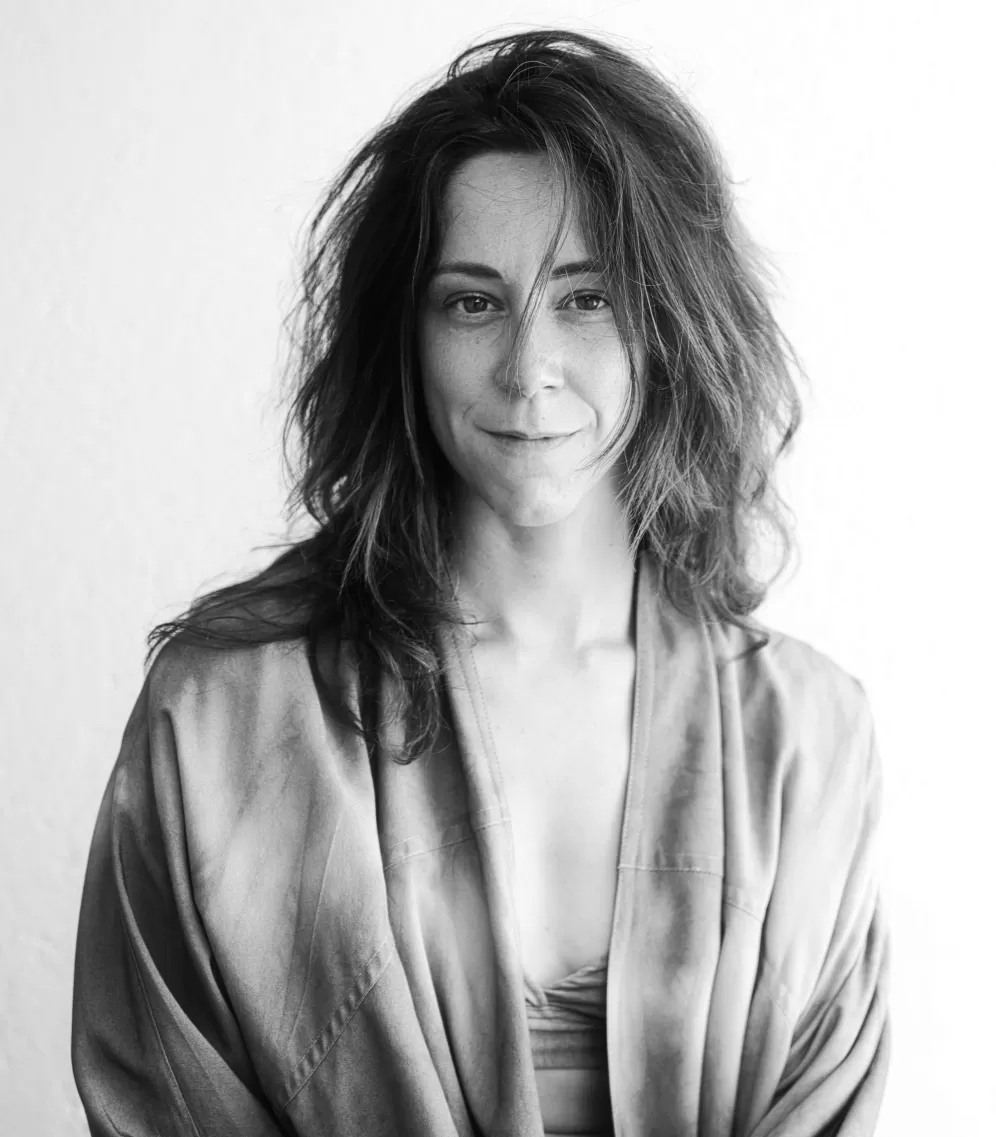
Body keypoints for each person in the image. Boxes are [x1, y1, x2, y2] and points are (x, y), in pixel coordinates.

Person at [71, 28, 889, 1137]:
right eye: (472, 301)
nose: (527, 367)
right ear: (403, 336)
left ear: (671, 326)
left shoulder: (806, 737)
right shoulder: (223, 716)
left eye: (587, 297)